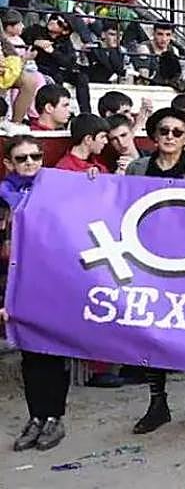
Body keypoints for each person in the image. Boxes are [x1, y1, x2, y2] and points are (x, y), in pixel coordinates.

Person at [122, 108, 185, 434]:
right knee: (150, 331)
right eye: (163, 131)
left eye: (177, 132)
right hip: (146, 259)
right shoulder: (136, 169)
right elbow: (113, 202)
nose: (169, 137)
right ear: (154, 135)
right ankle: (157, 402)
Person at [2, 136, 70, 451]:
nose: (30, 162)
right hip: (17, 282)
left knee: (53, 353)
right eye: (21, 158)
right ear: (8, 163)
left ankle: (54, 417)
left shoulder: (60, 189)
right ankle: (36, 417)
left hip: (54, 282)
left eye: (35, 156)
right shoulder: (3, 197)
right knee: (30, 355)